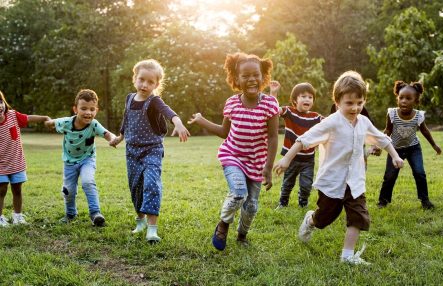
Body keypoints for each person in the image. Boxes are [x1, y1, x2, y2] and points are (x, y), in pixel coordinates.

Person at [273, 71, 404, 265]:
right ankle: (311, 220)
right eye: (349, 103)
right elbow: (304, 140)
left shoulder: (364, 122)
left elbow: (381, 139)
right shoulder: (331, 123)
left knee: (358, 216)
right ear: (337, 102)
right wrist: (286, 160)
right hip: (333, 181)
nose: (355, 107)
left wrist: (395, 156)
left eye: (359, 103)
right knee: (325, 218)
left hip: (355, 181)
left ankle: (347, 256)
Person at [188, 52, 279, 251]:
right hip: (233, 156)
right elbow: (223, 132)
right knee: (238, 193)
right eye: (245, 76)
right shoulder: (232, 103)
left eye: (255, 75)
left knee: (252, 205)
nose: (251, 80)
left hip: (257, 161)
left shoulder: (270, 104)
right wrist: (202, 121)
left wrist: (268, 167)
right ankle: (223, 224)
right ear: (236, 80)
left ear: (263, 77)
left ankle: (242, 234)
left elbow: (273, 137)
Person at [110, 59, 190, 243]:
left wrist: (177, 122)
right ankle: (141, 221)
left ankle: (152, 229)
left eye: (150, 82)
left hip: (152, 150)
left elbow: (168, 111)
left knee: (151, 183)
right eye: (141, 79)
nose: (145, 84)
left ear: (156, 84)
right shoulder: (129, 98)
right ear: (135, 79)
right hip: (132, 151)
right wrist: (120, 137)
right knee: (135, 186)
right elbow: (126, 120)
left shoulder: (154, 101)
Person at [45, 89, 116, 227]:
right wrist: (48, 123)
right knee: (68, 190)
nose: (88, 112)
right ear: (75, 109)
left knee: (88, 182)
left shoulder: (94, 124)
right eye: (83, 108)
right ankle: (70, 214)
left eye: (92, 109)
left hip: (87, 160)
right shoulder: (66, 122)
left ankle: (95, 213)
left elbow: (107, 134)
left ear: (96, 110)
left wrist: (113, 139)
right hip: (69, 162)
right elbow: (52, 122)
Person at [376, 81, 441, 210]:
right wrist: (379, 145)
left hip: (413, 148)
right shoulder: (392, 114)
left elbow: (425, 131)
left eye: (408, 98)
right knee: (390, 176)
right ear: (397, 99)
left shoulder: (418, 116)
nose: (404, 101)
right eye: (401, 98)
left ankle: (425, 201)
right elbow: (387, 130)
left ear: (416, 101)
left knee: (419, 173)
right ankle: (383, 201)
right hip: (394, 149)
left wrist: (434, 145)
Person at [0, 90, 50, 226]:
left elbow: (28, 118)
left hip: (16, 161)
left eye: (0, 102)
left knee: (17, 189)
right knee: (1, 189)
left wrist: (44, 117)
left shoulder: (12, 116)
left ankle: (17, 216)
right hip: (0, 165)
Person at [269, 81, 322, 208]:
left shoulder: (316, 117)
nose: (307, 99)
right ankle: (283, 203)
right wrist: (273, 93)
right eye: (303, 96)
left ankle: (303, 203)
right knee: (288, 183)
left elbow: (331, 123)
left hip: (308, 159)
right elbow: (274, 110)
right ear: (295, 100)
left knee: (306, 184)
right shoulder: (290, 112)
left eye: (310, 97)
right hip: (291, 158)